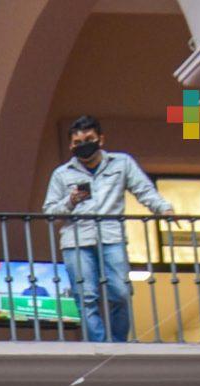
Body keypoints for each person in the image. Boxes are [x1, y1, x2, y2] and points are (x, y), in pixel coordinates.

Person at [43, 116, 174, 344]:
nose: (83, 144)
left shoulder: (121, 163)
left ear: (100, 140)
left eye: (89, 139)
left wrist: (163, 209)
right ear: (71, 145)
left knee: (121, 293)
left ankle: (118, 342)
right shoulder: (61, 174)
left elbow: (144, 190)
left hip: (111, 236)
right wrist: (71, 201)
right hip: (76, 240)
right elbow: (50, 214)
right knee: (86, 297)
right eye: (77, 141)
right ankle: (100, 344)